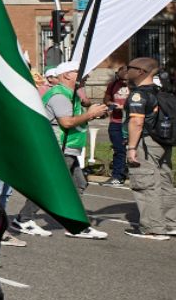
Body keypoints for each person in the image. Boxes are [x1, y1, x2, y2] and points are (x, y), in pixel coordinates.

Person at [13, 61, 109, 240]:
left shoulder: (70, 94)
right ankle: (27, 219)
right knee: (50, 186)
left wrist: (95, 113)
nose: (85, 76)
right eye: (79, 73)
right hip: (60, 147)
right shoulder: (59, 95)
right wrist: (90, 114)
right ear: (66, 75)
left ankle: (72, 223)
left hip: (70, 147)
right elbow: (66, 122)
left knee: (78, 184)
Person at [123, 56, 176, 239]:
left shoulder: (138, 94)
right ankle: (174, 223)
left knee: (145, 184)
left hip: (146, 142)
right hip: (162, 141)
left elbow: (136, 121)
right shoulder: (161, 91)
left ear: (141, 71)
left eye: (130, 68)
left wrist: (131, 148)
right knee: (165, 182)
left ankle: (153, 228)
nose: (127, 71)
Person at [104, 65, 132, 186]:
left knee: (136, 150)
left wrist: (124, 106)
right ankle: (117, 176)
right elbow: (106, 99)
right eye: (122, 79)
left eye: (126, 80)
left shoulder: (136, 86)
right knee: (119, 150)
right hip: (116, 122)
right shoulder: (113, 85)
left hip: (131, 123)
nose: (124, 82)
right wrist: (111, 103)